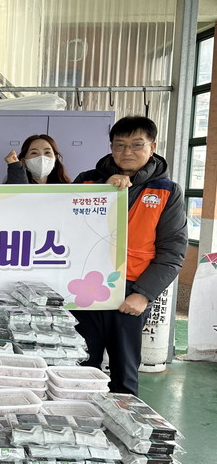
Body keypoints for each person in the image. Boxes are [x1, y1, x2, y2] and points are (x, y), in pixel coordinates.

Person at [72, 116, 187, 395]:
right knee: (80, 366)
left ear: (152, 147)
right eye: (119, 145)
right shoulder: (87, 180)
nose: (127, 152)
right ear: (111, 147)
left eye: (137, 144)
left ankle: (124, 418)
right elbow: (67, 227)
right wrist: (103, 190)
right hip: (84, 287)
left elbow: (172, 251)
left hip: (130, 292)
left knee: (124, 373)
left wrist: (144, 294)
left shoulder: (167, 191)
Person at [4, 134, 72, 184]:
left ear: (55, 158)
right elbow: (21, 194)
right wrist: (16, 168)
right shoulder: (12, 185)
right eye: (34, 153)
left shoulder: (66, 188)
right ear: (23, 161)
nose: (42, 158)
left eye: (47, 152)